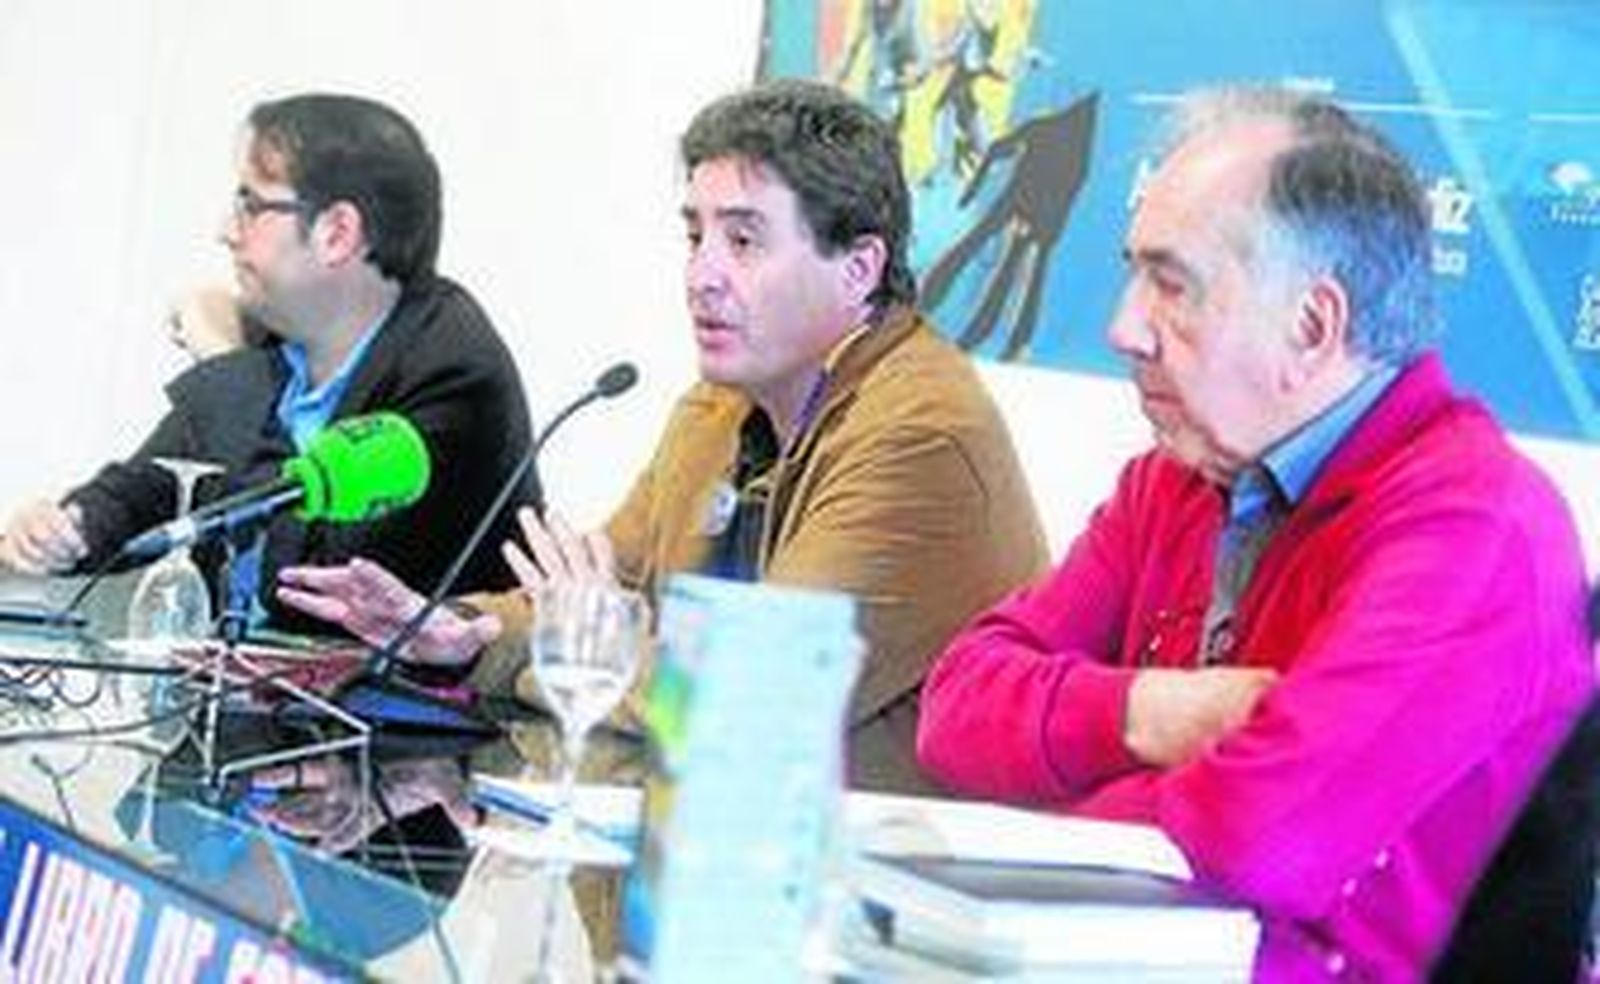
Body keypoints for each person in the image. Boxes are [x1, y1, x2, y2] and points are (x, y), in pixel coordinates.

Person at [915, 85, 1595, 980]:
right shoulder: (1180, 476)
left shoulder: (1474, 530)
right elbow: (954, 707)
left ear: (1311, 326)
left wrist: (1040, 805)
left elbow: (1251, 843)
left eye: (1171, 285)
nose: (1123, 327)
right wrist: (1152, 713)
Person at [277, 78, 1047, 796]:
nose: (701, 275)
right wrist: (462, 633)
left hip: (873, 906)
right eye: (694, 236)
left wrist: (589, 638)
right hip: (705, 842)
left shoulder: (921, 441)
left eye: (743, 242)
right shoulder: (717, 408)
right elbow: (597, 585)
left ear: (858, 269)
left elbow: (740, 707)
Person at [0, 93, 536, 630]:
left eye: (250, 206)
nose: (226, 231)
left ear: (337, 233)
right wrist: (67, 529)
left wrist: (222, 358)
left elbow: (309, 582)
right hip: (254, 702)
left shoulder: (453, 370)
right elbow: (147, 488)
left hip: (391, 709)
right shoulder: (280, 341)